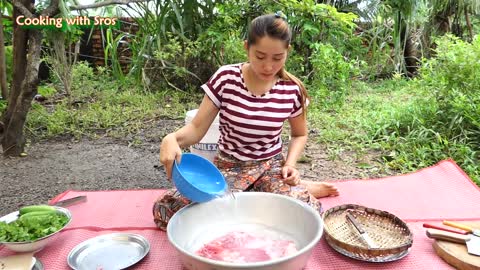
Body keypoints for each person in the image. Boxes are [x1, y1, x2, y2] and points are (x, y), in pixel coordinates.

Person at [153, 12, 339, 231]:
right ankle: (267, 192)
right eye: (260, 56)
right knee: (166, 209)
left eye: (277, 58)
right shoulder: (226, 79)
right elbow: (196, 128)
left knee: (306, 213)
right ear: (246, 48)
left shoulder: (292, 90)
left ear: (287, 52)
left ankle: (280, 189)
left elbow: (300, 134)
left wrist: (289, 165)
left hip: (271, 167)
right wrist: (171, 138)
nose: (268, 66)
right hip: (229, 168)